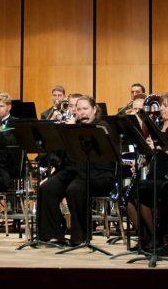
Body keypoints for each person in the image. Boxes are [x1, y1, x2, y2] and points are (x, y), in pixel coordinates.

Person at [36, 96, 116, 245]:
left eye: (86, 109)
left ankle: (79, 237)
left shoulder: (102, 126)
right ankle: (54, 235)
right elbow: (59, 154)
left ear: (94, 109)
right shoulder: (73, 126)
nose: (82, 113)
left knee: (74, 190)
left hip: (97, 173)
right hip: (72, 171)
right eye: (79, 109)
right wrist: (63, 132)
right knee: (47, 188)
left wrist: (72, 129)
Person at [127, 92, 168, 251]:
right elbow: (154, 154)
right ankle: (147, 237)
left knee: (139, 191)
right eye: (161, 105)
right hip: (155, 174)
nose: (161, 108)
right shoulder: (157, 127)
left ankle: (157, 238)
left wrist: (162, 147)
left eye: (166, 105)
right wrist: (146, 155)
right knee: (128, 195)